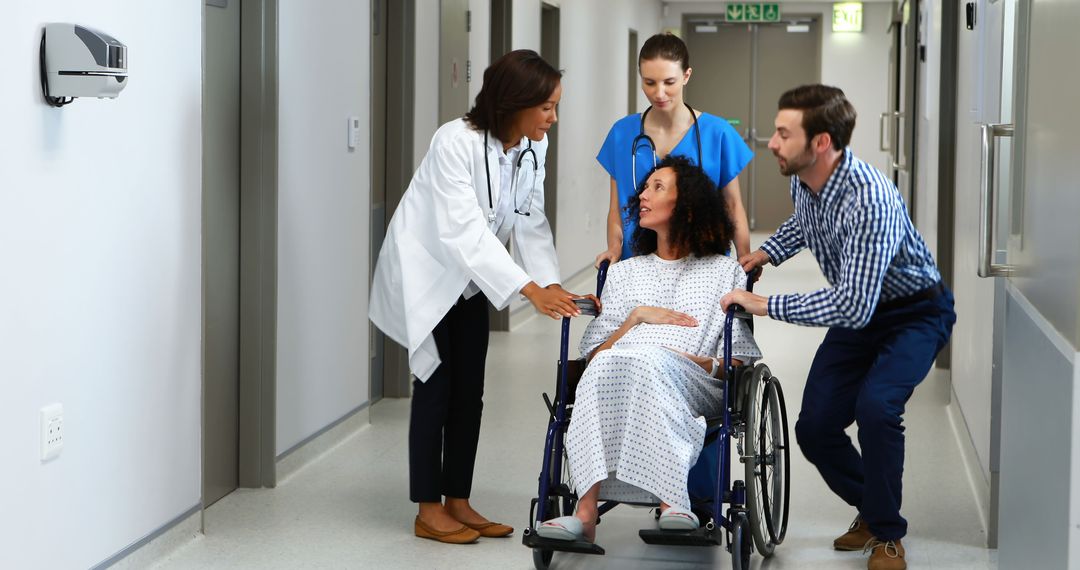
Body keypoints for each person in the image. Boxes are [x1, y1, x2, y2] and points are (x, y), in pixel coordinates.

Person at [721, 84, 956, 570]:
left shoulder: (869, 198)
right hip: (862, 314)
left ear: (821, 142)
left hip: (914, 314)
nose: (773, 143)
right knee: (814, 428)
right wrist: (767, 251)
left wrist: (765, 304)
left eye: (784, 134)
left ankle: (888, 535)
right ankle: (873, 511)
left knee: (877, 406)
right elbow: (805, 225)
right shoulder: (803, 179)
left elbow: (850, 306)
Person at [369, 50, 598, 545]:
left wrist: (549, 280)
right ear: (515, 103)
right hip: (429, 272)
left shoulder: (530, 148)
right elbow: (464, 231)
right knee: (436, 388)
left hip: (472, 279)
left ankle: (459, 499)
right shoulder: (455, 142)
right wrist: (527, 288)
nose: (553, 118)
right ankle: (428, 508)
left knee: (469, 392)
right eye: (547, 108)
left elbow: (530, 217)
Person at [537, 156, 761, 543]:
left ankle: (672, 499)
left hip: (694, 378)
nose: (642, 195)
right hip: (620, 370)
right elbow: (593, 356)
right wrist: (636, 318)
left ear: (687, 205)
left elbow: (738, 360)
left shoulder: (725, 272)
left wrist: (690, 359)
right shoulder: (625, 272)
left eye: (658, 187)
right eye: (644, 187)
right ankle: (585, 511)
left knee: (649, 360)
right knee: (607, 364)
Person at [593, 32, 753, 268]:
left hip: (703, 266)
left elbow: (733, 205)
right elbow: (616, 209)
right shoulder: (622, 133)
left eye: (669, 82)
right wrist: (614, 249)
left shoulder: (717, 133)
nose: (659, 93)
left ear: (686, 76)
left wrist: (744, 260)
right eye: (649, 82)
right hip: (638, 265)